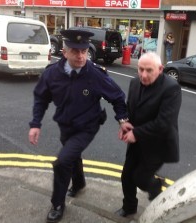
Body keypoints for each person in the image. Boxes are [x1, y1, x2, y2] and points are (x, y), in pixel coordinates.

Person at [28, 29, 128, 223]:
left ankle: (57, 204)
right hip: (65, 125)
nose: (81, 56)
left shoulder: (95, 74)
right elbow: (41, 98)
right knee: (72, 156)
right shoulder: (52, 74)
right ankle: (79, 183)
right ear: (64, 53)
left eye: (84, 51)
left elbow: (117, 96)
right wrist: (35, 124)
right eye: (75, 51)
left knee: (62, 161)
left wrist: (122, 120)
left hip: (87, 126)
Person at [115, 52, 182, 217]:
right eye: (140, 69)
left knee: (141, 178)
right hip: (137, 141)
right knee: (126, 177)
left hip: (158, 144)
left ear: (160, 69)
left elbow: (164, 123)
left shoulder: (171, 88)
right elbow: (130, 108)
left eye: (149, 70)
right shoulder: (134, 82)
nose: (143, 75)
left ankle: (156, 188)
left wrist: (136, 133)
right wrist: (124, 123)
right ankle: (129, 207)